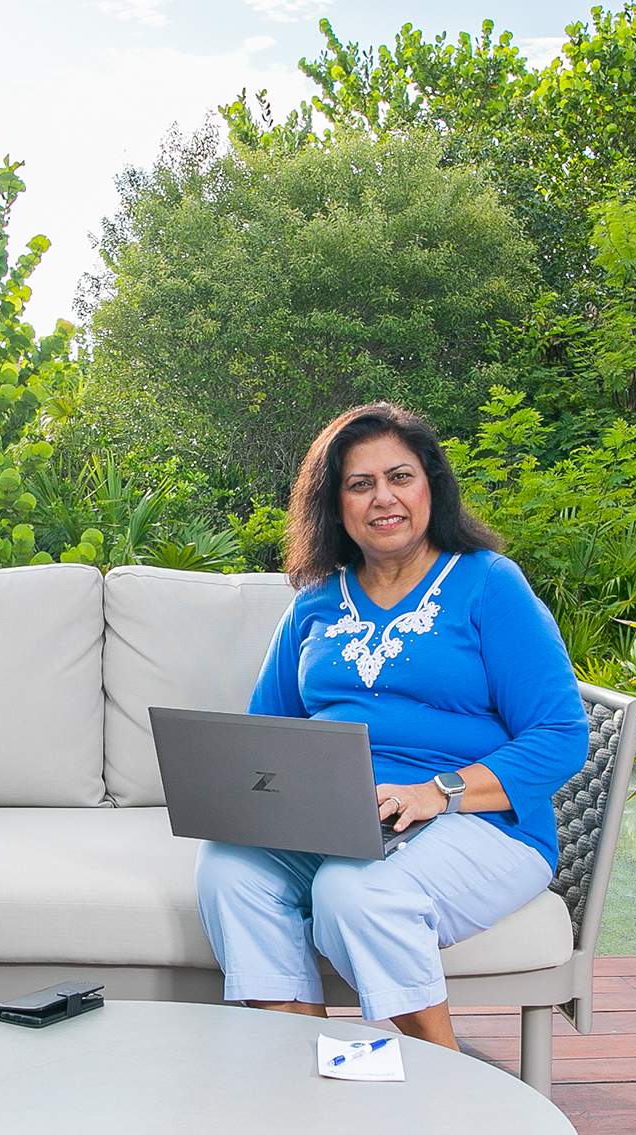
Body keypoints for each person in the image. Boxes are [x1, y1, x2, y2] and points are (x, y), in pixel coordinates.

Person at [194, 402, 588, 1050]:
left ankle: (444, 1090)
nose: (384, 497)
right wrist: (246, 798)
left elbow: (561, 734)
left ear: (431, 484)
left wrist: (438, 792)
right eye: (360, 483)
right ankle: (305, 1079)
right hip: (342, 821)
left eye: (400, 476)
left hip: (479, 821)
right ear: (335, 504)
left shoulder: (489, 585)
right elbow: (267, 733)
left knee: (353, 890)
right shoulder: (316, 602)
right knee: (229, 870)